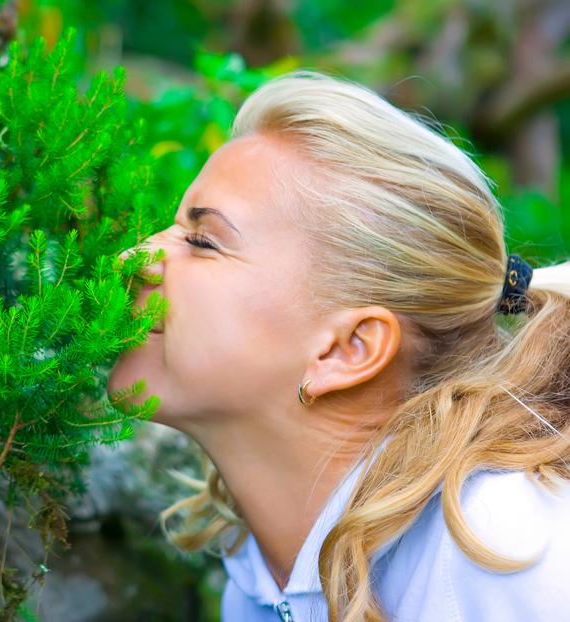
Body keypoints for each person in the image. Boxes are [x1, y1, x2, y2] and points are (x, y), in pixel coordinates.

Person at [106, 70, 570, 621]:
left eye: (203, 242)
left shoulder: (510, 551)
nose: (133, 258)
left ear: (347, 350)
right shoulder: (255, 581)